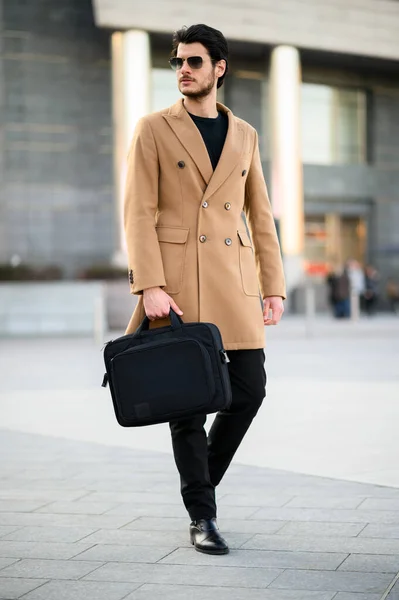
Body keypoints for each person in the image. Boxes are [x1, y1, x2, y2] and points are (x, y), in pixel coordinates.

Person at [123, 24, 286, 555]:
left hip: (235, 282)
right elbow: (138, 213)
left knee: (250, 391)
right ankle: (202, 516)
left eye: (194, 61)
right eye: (177, 62)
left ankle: (201, 488)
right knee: (188, 404)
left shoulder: (245, 134)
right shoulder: (154, 128)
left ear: (219, 68)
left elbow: (260, 215)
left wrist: (273, 286)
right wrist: (150, 284)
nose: (183, 71)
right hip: (178, 284)